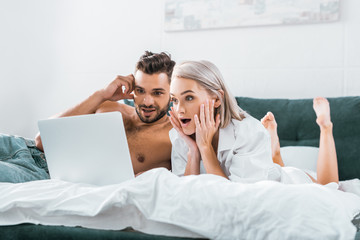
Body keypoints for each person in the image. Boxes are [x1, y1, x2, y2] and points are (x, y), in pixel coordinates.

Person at [0, 51, 176, 183]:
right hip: (22, 147)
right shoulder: (110, 107)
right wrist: (101, 95)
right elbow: (42, 139)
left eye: (157, 93)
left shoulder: (173, 136)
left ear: (172, 93)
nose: (146, 101)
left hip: (42, 174)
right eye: (140, 91)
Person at [169, 60, 281, 183]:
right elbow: (185, 194)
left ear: (217, 98)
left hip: (287, 181)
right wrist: (193, 152)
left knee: (282, 168)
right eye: (174, 100)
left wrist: (205, 147)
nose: (179, 110)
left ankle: (275, 152)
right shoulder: (179, 138)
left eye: (189, 98)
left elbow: (234, 198)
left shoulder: (248, 132)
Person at [261, 97, 339, 185]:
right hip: (300, 180)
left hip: (284, 178)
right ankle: (326, 129)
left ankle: (275, 154)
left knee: (281, 176)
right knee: (329, 186)